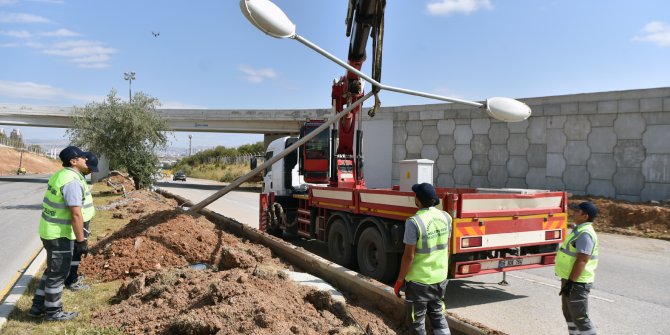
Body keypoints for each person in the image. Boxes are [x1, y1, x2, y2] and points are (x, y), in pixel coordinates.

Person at [28, 146, 96, 321]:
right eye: (82, 157)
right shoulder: (72, 181)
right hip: (60, 235)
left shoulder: (61, 175)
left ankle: (37, 307)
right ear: (74, 161)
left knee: (52, 270)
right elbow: (75, 214)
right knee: (58, 275)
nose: (86, 160)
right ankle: (53, 312)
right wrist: (81, 242)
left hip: (49, 230)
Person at [394, 183, 452, 335]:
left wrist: (400, 281)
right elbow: (447, 249)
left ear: (418, 200)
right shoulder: (446, 217)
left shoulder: (414, 222)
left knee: (417, 323)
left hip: (419, 282)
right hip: (439, 279)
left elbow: (409, 256)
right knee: (438, 316)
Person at [555, 201, 599, 335]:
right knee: (569, 314)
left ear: (585, 216)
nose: (573, 212)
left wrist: (571, 283)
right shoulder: (578, 230)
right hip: (570, 280)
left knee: (580, 318)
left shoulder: (585, 233)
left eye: (577, 211)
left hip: (577, 282)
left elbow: (582, 260)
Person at [63, 152, 98, 291]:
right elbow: (75, 210)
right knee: (77, 250)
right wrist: (81, 238)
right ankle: (71, 280)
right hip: (79, 222)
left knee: (78, 252)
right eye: (89, 167)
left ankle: (73, 275)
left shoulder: (80, 177)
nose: (90, 171)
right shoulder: (74, 180)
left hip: (83, 221)